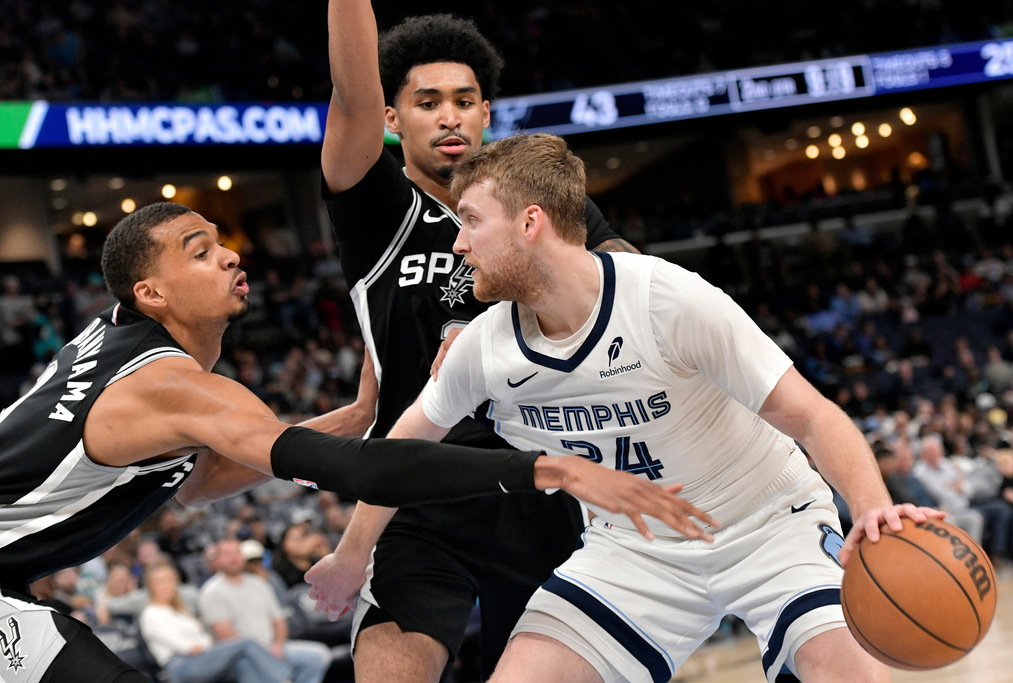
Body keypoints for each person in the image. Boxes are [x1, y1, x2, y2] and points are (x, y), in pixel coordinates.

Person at [308, 133, 945, 683]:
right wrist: (351, 554)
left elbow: (813, 415)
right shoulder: (484, 347)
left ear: (530, 223)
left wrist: (871, 510)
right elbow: (398, 454)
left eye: (472, 221)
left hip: (768, 526)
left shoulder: (668, 299)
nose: (458, 245)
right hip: (633, 553)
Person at [0, 201, 694, 683]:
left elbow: (195, 481)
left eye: (219, 239)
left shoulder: (110, 333)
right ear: (152, 293)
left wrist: (356, 412)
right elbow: (354, 471)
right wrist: (540, 467)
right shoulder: (173, 386)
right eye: (199, 252)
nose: (232, 254)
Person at [318, 3, 638, 679]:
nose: (449, 115)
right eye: (426, 101)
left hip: (547, 480)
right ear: (391, 118)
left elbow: (635, 290)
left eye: (465, 100)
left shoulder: (542, 207)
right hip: (421, 490)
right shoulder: (378, 211)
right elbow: (350, 93)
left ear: (487, 114)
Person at [200, 540, 331, 683]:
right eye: (227, 554)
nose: (234, 558)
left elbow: (278, 620)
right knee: (251, 667)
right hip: (243, 656)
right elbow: (225, 634)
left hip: (273, 646)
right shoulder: (211, 591)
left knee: (319, 655)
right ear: (217, 559)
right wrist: (261, 654)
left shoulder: (259, 584)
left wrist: (278, 644)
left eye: (237, 553)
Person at [140, 560, 292, 683]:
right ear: (151, 586)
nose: (166, 586)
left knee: (243, 665)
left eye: (169, 580)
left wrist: (203, 644)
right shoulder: (151, 614)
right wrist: (202, 644)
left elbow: (204, 638)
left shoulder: (180, 611)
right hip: (181, 666)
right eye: (160, 581)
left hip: (202, 657)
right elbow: (187, 647)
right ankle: (284, 680)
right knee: (246, 643)